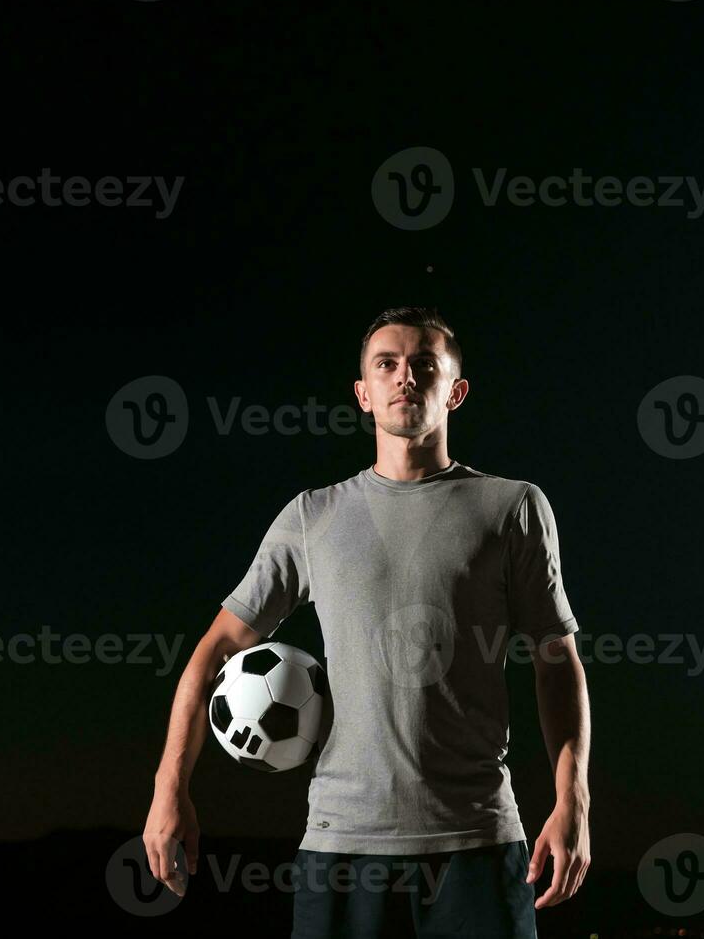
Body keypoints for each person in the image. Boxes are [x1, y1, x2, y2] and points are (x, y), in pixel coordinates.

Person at [143, 306, 592, 938]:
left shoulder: (512, 508)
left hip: (478, 842)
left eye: (424, 365)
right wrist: (170, 788)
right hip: (342, 848)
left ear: (455, 391)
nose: (405, 377)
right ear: (363, 393)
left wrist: (573, 800)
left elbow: (556, 661)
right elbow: (215, 649)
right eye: (387, 364)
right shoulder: (313, 516)